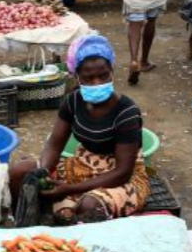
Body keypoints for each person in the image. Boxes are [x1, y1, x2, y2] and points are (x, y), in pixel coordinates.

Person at [9, 35, 149, 224]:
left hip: (120, 176)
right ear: (77, 77)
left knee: (89, 205)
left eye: (104, 75)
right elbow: (54, 144)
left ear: (112, 72)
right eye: (88, 78)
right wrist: (42, 171)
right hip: (83, 165)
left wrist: (69, 189)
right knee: (21, 171)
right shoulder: (73, 101)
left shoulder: (127, 112)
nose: (97, 83)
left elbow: (123, 172)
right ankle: (26, 225)